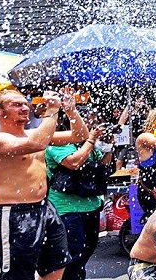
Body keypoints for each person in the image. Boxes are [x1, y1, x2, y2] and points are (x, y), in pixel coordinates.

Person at [0, 90, 71, 280]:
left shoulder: (33, 133)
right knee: (17, 275)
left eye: (25, 103)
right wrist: (52, 110)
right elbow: (38, 143)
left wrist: (71, 111)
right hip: (14, 212)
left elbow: (78, 135)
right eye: (16, 104)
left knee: (57, 265)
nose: (25, 107)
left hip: (44, 208)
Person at [46, 103, 114, 280]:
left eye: (93, 123)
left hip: (90, 205)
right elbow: (74, 162)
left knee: (86, 252)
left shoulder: (88, 143)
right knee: (72, 256)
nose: (90, 127)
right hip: (66, 208)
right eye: (88, 123)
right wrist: (91, 139)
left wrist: (108, 147)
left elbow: (103, 164)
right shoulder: (57, 141)